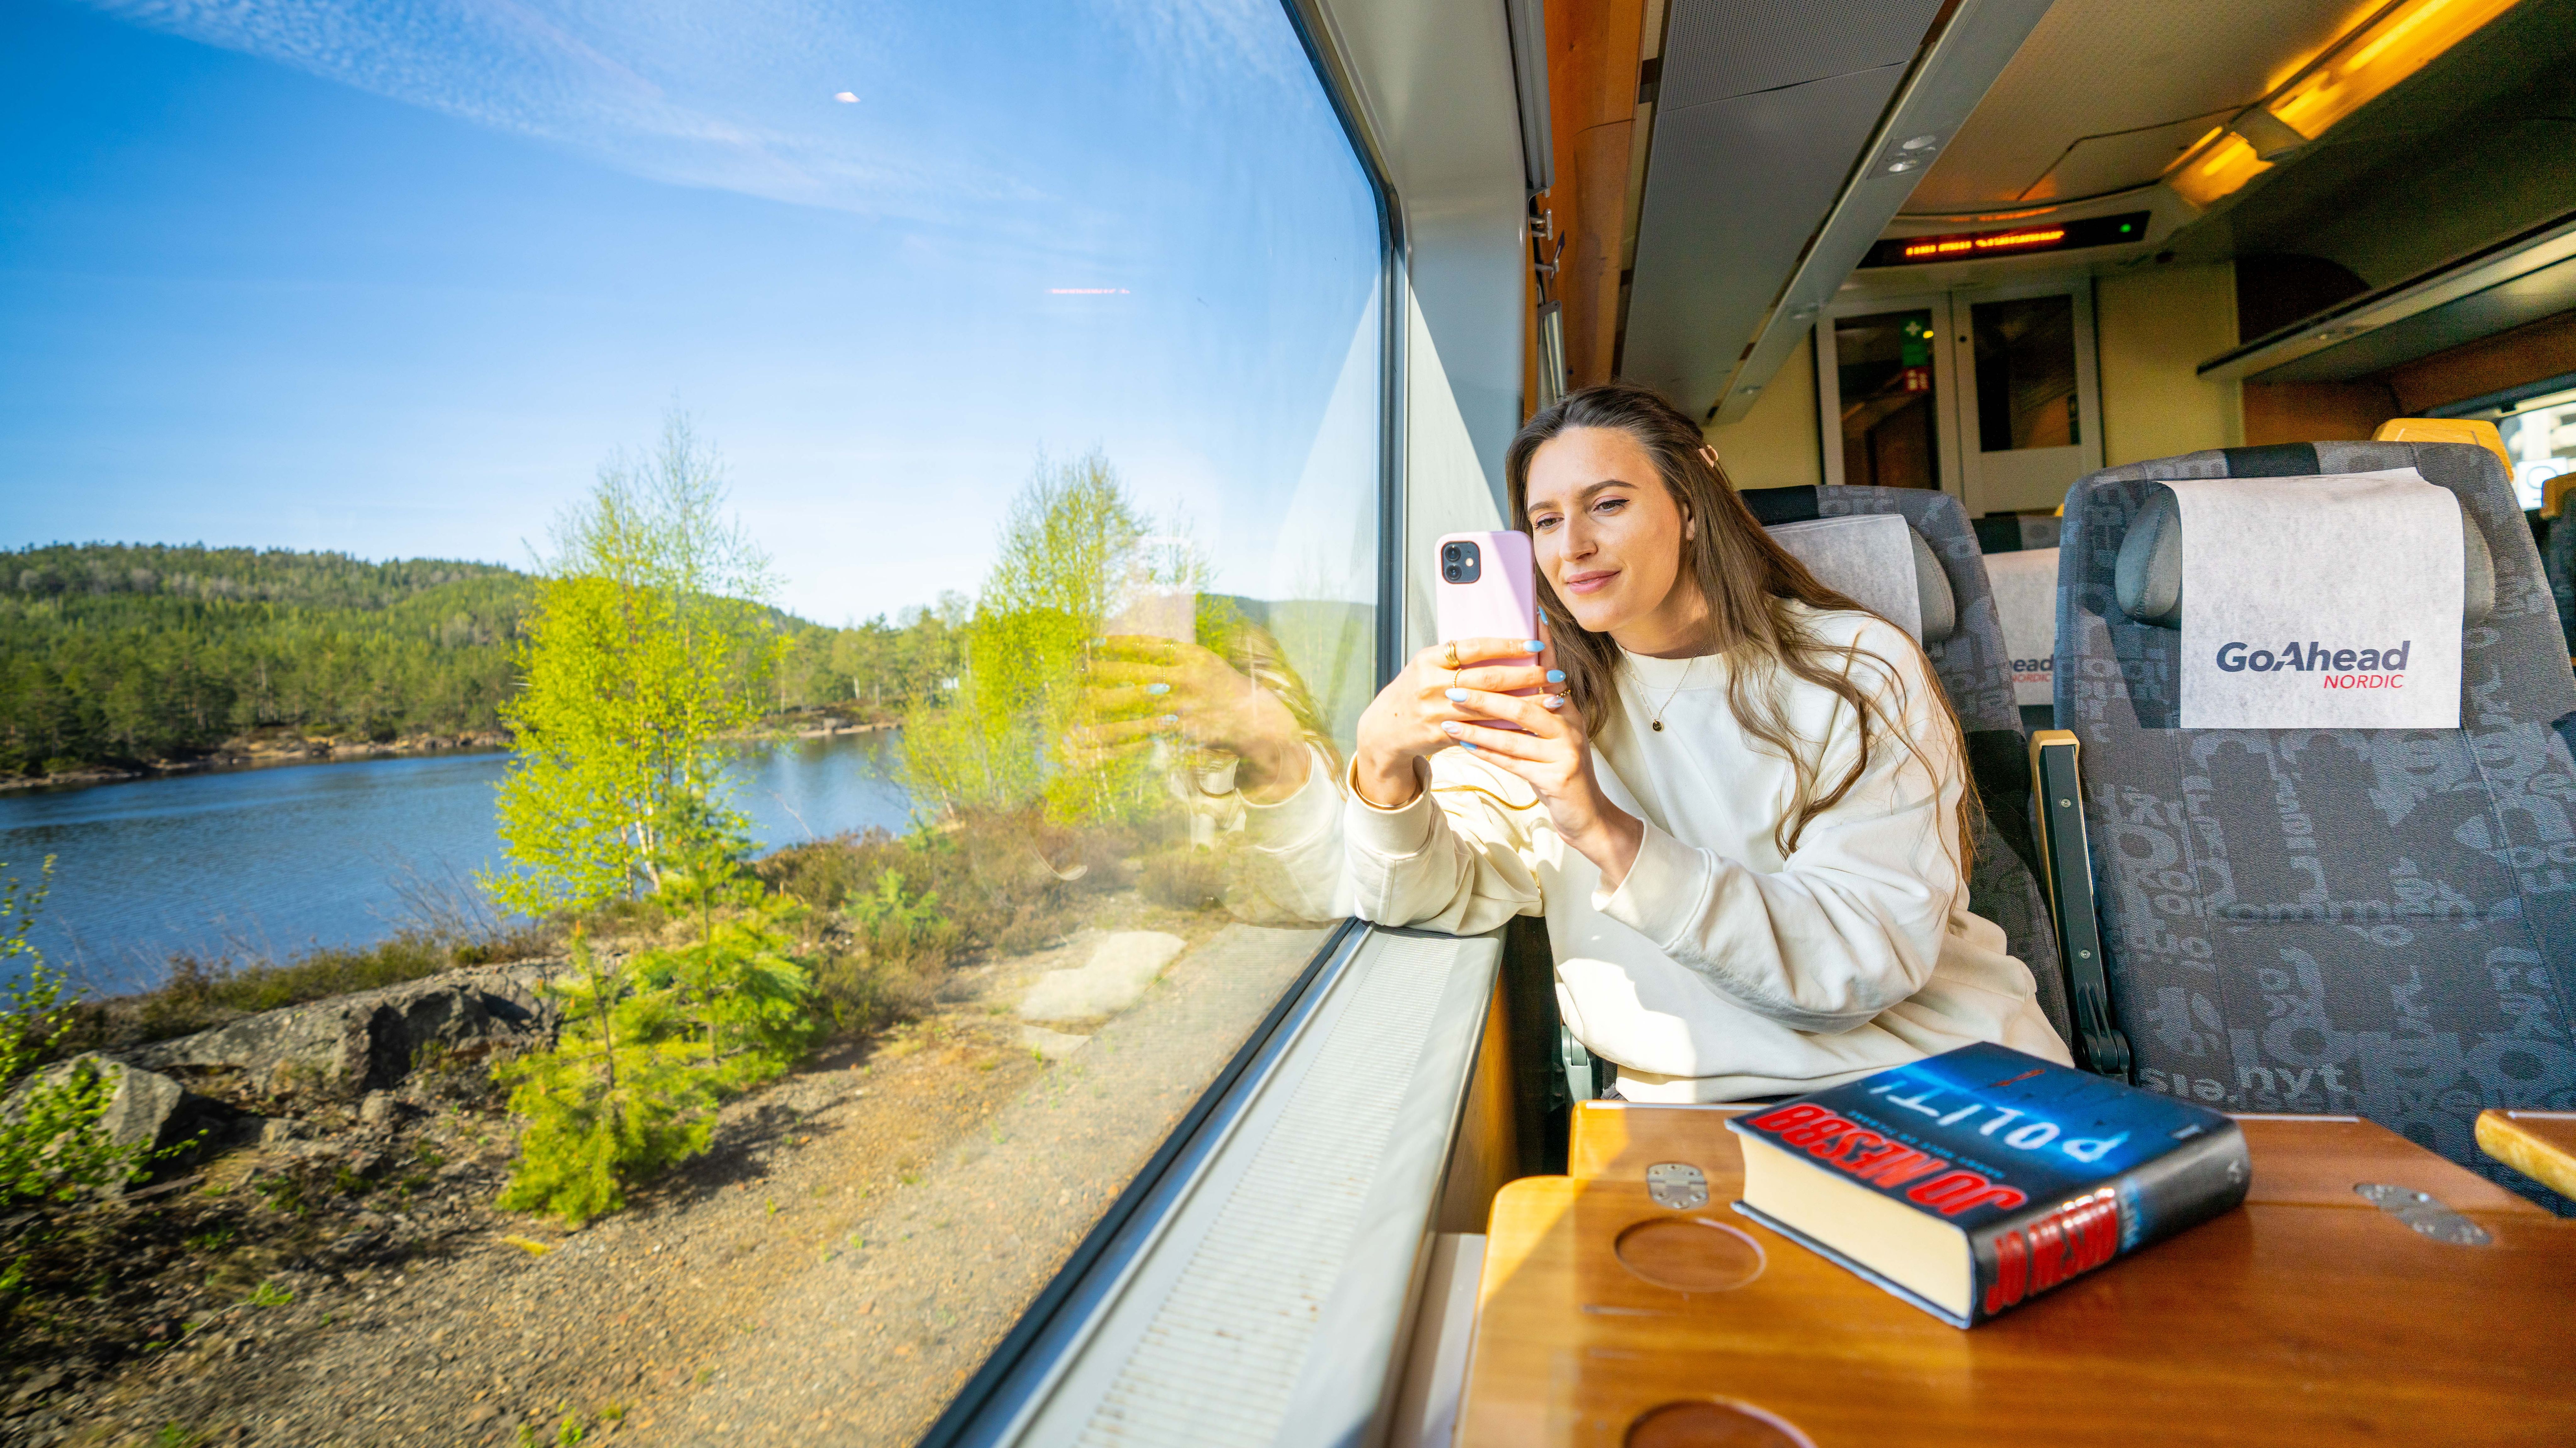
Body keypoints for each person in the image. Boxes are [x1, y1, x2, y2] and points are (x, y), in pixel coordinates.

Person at [1344, 381, 2069, 1101]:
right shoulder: (1551, 704)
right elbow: (1426, 892)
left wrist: (1604, 831)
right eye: (1545, 521)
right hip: (1698, 1112)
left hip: (1942, 1075)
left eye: (1607, 504)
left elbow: (1857, 963)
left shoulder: (1856, 667)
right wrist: (1384, 766)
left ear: (1688, 507)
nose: (1574, 548)